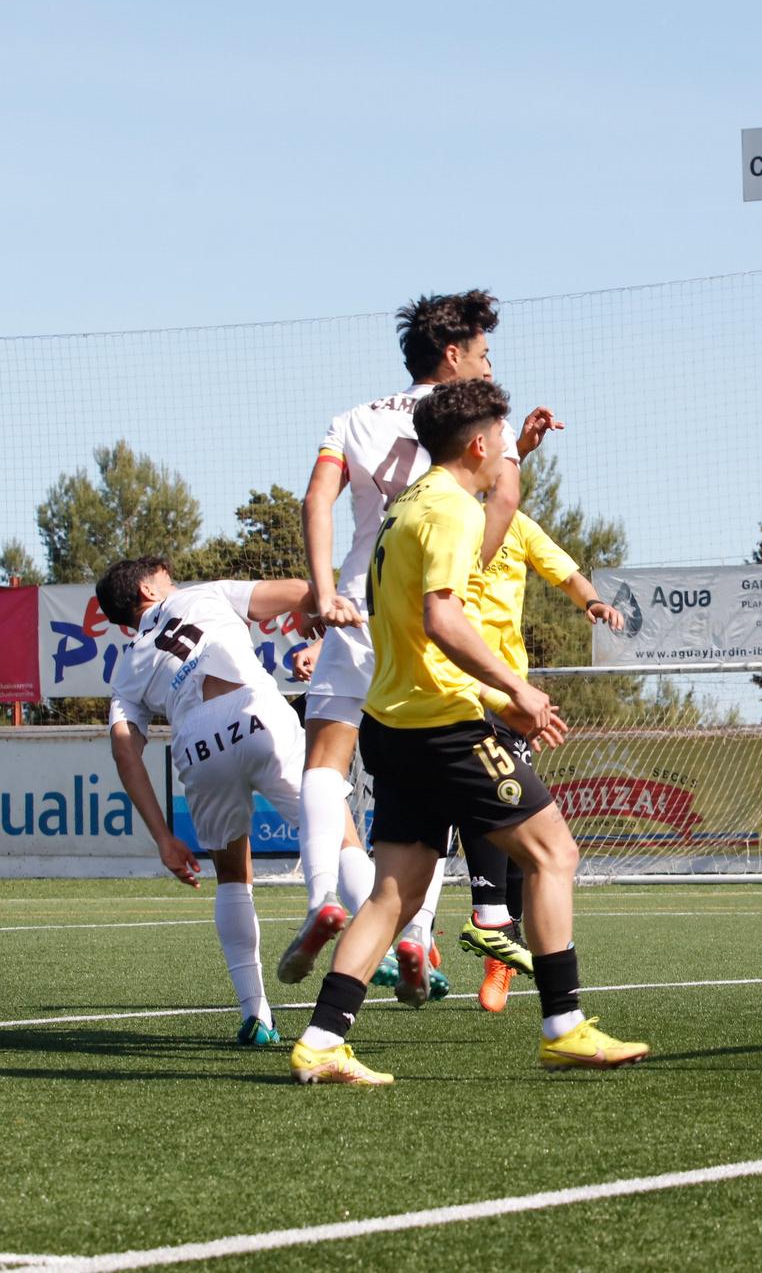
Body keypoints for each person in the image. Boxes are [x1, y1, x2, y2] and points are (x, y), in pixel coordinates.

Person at [290, 381, 645, 1084]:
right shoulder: (452, 509)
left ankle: (323, 1038)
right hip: (445, 724)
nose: (507, 450)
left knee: (395, 893)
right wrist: (515, 688)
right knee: (554, 854)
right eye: (505, 439)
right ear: (479, 444)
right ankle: (564, 1026)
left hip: (390, 722)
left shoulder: (406, 506)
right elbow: (442, 620)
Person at [294, 290, 557, 1004]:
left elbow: (317, 499)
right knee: (514, 825)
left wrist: (322, 592)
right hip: (429, 630)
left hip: (357, 606)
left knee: (326, 761)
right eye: (483, 350)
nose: (488, 361)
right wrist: (515, 462)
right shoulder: (473, 436)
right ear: (454, 354)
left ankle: (324, 894)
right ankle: (423, 935)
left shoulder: (351, 418)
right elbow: (485, 542)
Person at [97, 557, 317, 1046]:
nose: (172, 580)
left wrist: (162, 837)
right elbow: (303, 590)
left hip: (196, 742)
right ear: (148, 591)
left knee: (233, 875)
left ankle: (256, 1014)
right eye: (164, 577)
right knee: (329, 829)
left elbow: (122, 748)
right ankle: (384, 932)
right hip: (254, 708)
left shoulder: (129, 667)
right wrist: (312, 627)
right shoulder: (205, 595)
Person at [456, 509, 625, 1012]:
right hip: (454, 686)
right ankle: (465, 926)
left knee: (521, 824)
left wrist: (591, 601)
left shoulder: (518, 524)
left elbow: (567, 574)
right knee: (474, 813)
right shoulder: (441, 511)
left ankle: (497, 951)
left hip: (509, 691)